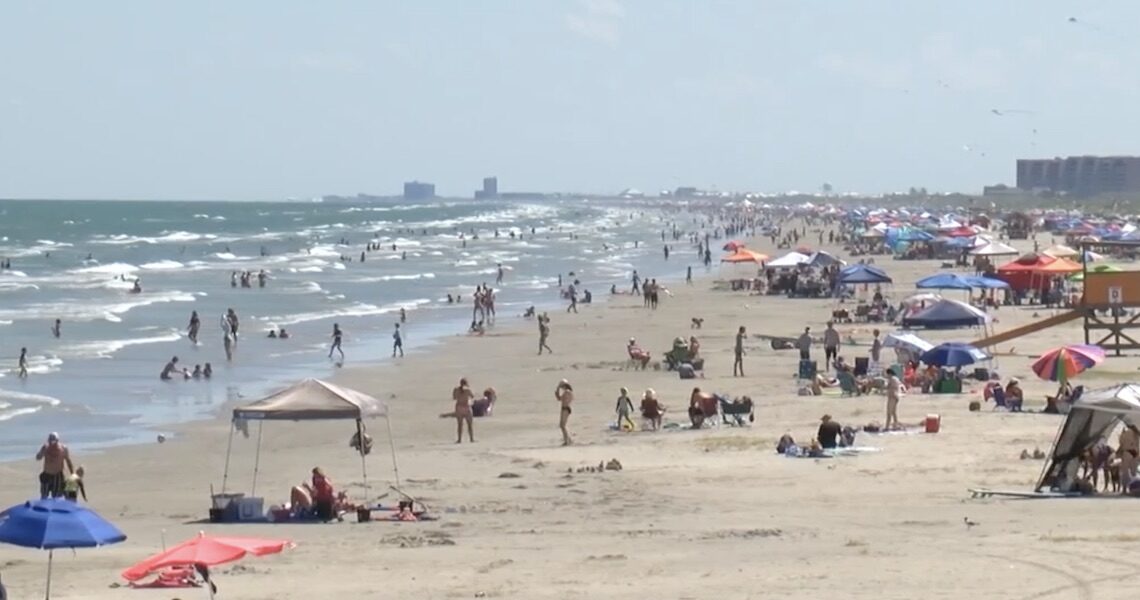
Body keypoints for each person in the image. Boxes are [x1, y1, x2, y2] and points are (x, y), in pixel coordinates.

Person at [36, 432, 73, 499]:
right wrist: (41, 453)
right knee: (44, 496)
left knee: (56, 497)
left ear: (57, 441)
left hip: (58, 475)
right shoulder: (46, 447)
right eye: (50, 442)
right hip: (46, 474)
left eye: (53, 442)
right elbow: (38, 458)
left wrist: (73, 474)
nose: (52, 444)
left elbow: (68, 461)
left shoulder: (63, 449)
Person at [452, 378, 475, 443]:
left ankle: (459, 439)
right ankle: (471, 439)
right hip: (466, 407)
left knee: (460, 425)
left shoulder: (456, 389)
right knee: (469, 425)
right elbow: (472, 396)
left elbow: (454, 398)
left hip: (459, 407)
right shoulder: (468, 390)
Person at [556, 379, 574, 446]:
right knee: (563, 425)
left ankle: (567, 440)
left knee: (562, 425)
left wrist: (558, 389)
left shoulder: (567, 392)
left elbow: (561, 399)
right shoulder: (567, 392)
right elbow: (559, 398)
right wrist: (557, 390)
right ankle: (568, 439)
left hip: (566, 409)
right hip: (564, 408)